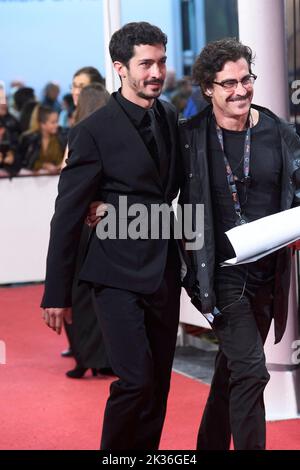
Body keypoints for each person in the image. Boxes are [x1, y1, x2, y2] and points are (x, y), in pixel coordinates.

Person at [41, 22, 181, 450]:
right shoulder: (92, 131)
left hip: (163, 271)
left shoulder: (170, 116)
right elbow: (66, 215)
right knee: (135, 382)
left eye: (160, 62)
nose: (156, 72)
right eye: (146, 64)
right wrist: (56, 293)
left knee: (157, 386)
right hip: (115, 276)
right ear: (120, 68)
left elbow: (169, 195)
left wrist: (116, 210)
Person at [178, 37, 300, 450]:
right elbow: (152, 192)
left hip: (268, 274)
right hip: (219, 277)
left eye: (246, 79)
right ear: (208, 88)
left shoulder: (280, 132)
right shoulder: (190, 138)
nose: (241, 90)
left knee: (232, 370)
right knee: (252, 370)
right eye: (228, 83)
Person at [64, 83, 113, 379]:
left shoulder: (80, 134)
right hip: (111, 224)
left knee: (79, 293)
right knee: (103, 292)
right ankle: (103, 357)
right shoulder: (112, 134)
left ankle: (84, 356)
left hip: (83, 224)